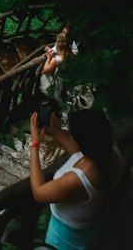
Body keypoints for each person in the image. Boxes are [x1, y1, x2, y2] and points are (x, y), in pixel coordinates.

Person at [29, 105, 123, 249]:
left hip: (64, 240)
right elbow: (79, 153)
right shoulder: (111, 152)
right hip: (88, 228)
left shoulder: (78, 179)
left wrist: (34, 143)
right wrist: (55, 131)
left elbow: (39, 193)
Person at [41, 31, 70, 97]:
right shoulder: (67, 53)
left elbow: (46, 69)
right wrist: (51, 51)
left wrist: (49, 56)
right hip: (62, 77)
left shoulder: (56, 60)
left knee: (53, 94)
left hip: (54, 81)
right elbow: (57, 54)